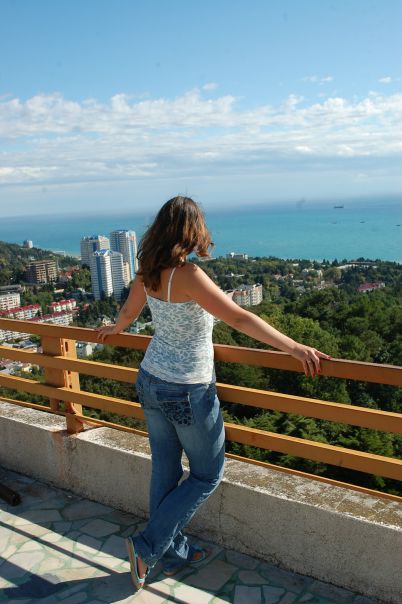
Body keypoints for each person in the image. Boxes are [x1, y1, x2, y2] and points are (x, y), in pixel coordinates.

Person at [95, 196, 331, 591]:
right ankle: (148, 546)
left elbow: (131, 313)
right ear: (192, 231)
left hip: (151, 379)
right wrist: (293, 347)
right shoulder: (187, 274)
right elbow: (239, 318)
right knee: (206, 474)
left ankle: (171, 550)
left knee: (166, 469)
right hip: (187, 388)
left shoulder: (148, 269)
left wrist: (115, 328)